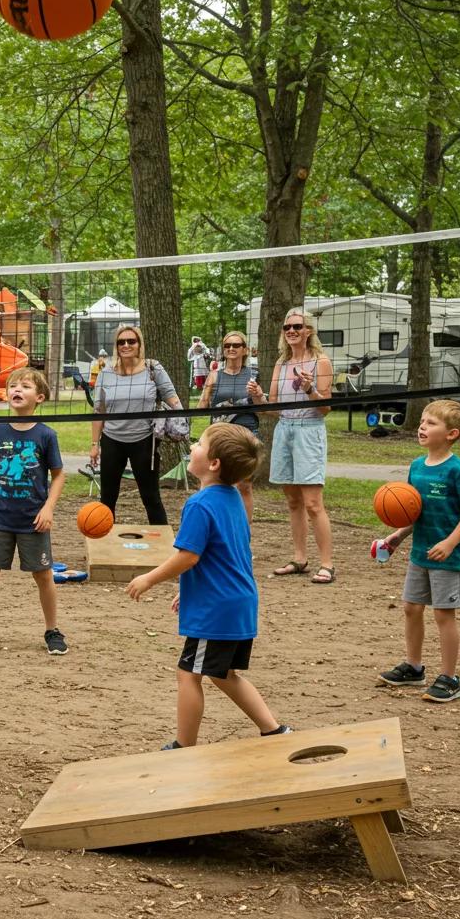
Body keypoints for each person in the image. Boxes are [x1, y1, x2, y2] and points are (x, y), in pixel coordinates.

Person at [126, 423, 293, 749]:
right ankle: (273, 731)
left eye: (200, 443)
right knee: (223, 673)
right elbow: (226, 554)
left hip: (217, 607)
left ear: (214, 463)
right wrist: (189, 588)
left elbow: (188, 556)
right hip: (238, 601)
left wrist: (149, 578)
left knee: (188, 674)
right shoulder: (232, 499)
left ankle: (183, 747)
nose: (192, 447)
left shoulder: (200, 504)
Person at [377, 401, 460, 703]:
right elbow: (413, 512)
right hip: (420, 554)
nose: (422, 426)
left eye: (431, 423)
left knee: (444, 615)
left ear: (452, 434)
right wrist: (397, 537)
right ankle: (413, 667)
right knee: (411, 608)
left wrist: (449, 543)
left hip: (448, 557)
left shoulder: (458, 471)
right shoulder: (417, 467)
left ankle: (449, 679)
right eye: (422, 421)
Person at [0, 368, 67, 657]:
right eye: (12, 386)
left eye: (25, 386)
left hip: (33, 518)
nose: (17, 390)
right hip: (0, 516)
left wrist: (48, 508)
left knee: (43, 575)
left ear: (40, 397)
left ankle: (52, 631)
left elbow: (58, 476)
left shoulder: (46, 435)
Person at [247, 308, 335, 584]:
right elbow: (272, 409)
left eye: (297, 326)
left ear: (309, 330)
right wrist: (259, 398)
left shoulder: (320, 362)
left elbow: (325, 408)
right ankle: (300, 558)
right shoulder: (281, 364)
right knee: (293, 500)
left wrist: (310, 389)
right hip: (285, 430)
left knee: (313, 503)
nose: (292, 331)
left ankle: (327, 564)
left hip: (309, 432)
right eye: (287, 328)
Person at [90, 325, 182, 525]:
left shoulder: (152, 368)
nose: (126, 345)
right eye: (121, 342)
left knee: (150, 496)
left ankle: (162, 546)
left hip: (144, 441)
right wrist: (94, 444)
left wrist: (182, 418)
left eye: (131, 341)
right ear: (116, 346)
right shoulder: (106, 373)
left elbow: (171, 396)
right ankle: (103, 544)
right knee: (107, 498)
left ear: (139, 344)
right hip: (112, 440)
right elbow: (99, 411)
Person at [198, 330, 258, 522]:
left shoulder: (253, 375)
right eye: (227, 346)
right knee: (214, 481)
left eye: (236, 345)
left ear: (244, 350)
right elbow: (202, 405)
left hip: (245, 433)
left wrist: (257, 394)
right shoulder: (214, 375)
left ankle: (244, 533)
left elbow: (264, 407)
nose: (231, 349)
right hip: (220, 435)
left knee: (244, 484)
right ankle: (213, 524)